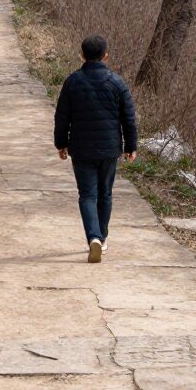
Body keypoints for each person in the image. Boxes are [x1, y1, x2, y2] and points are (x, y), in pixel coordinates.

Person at [53, 35, 137, 263]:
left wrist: (61, 143)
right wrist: (131, 146)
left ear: (81, 54)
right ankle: (103, 237)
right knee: (105, 193)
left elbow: (62, 117)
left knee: (87, 194)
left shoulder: (73, 82)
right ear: (106, 56)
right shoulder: (117, 83)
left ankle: (93, 238)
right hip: (109, 149)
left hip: (81, 148)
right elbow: (128, 118)